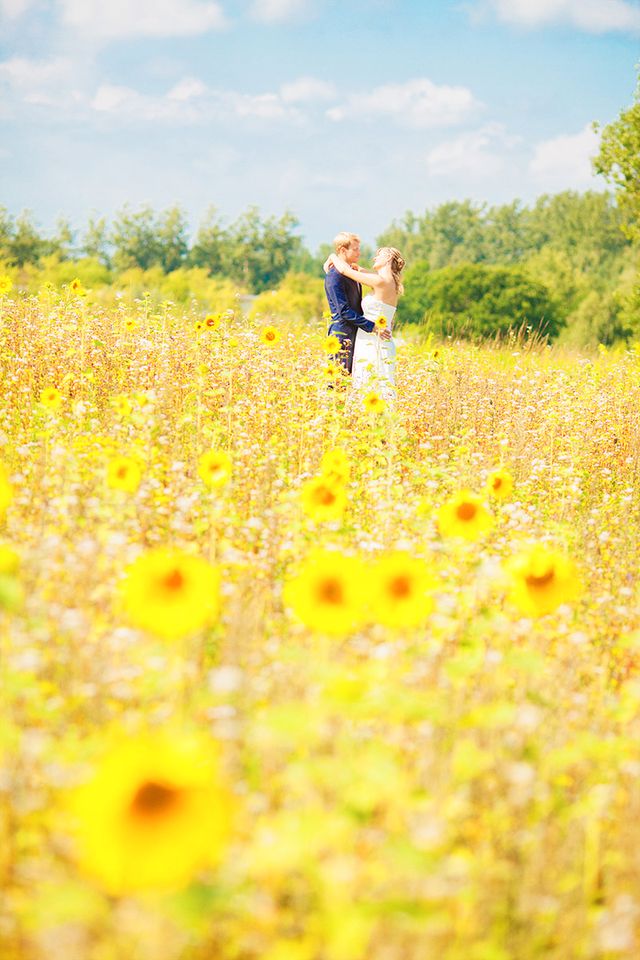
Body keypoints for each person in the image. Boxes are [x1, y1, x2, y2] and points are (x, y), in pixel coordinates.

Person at [324, 244, 405, 395]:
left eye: (378, 255)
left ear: (387, 258)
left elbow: (344, 271)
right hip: (375, 339)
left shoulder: (381, 282)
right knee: (373, 383)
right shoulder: (387, 281)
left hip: (373, 339)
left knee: (370, 385)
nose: (374, 257)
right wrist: (356, 266)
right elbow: (358, 270)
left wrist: (332, 256)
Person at [323, 232, 390, 377]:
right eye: (355, 249)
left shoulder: (352, 272)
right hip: (341, 335)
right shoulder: (334, 275)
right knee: (337, 381)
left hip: (356, 334)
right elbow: (344, 310)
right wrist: (372, 326)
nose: (359, 253)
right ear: (342, 250)